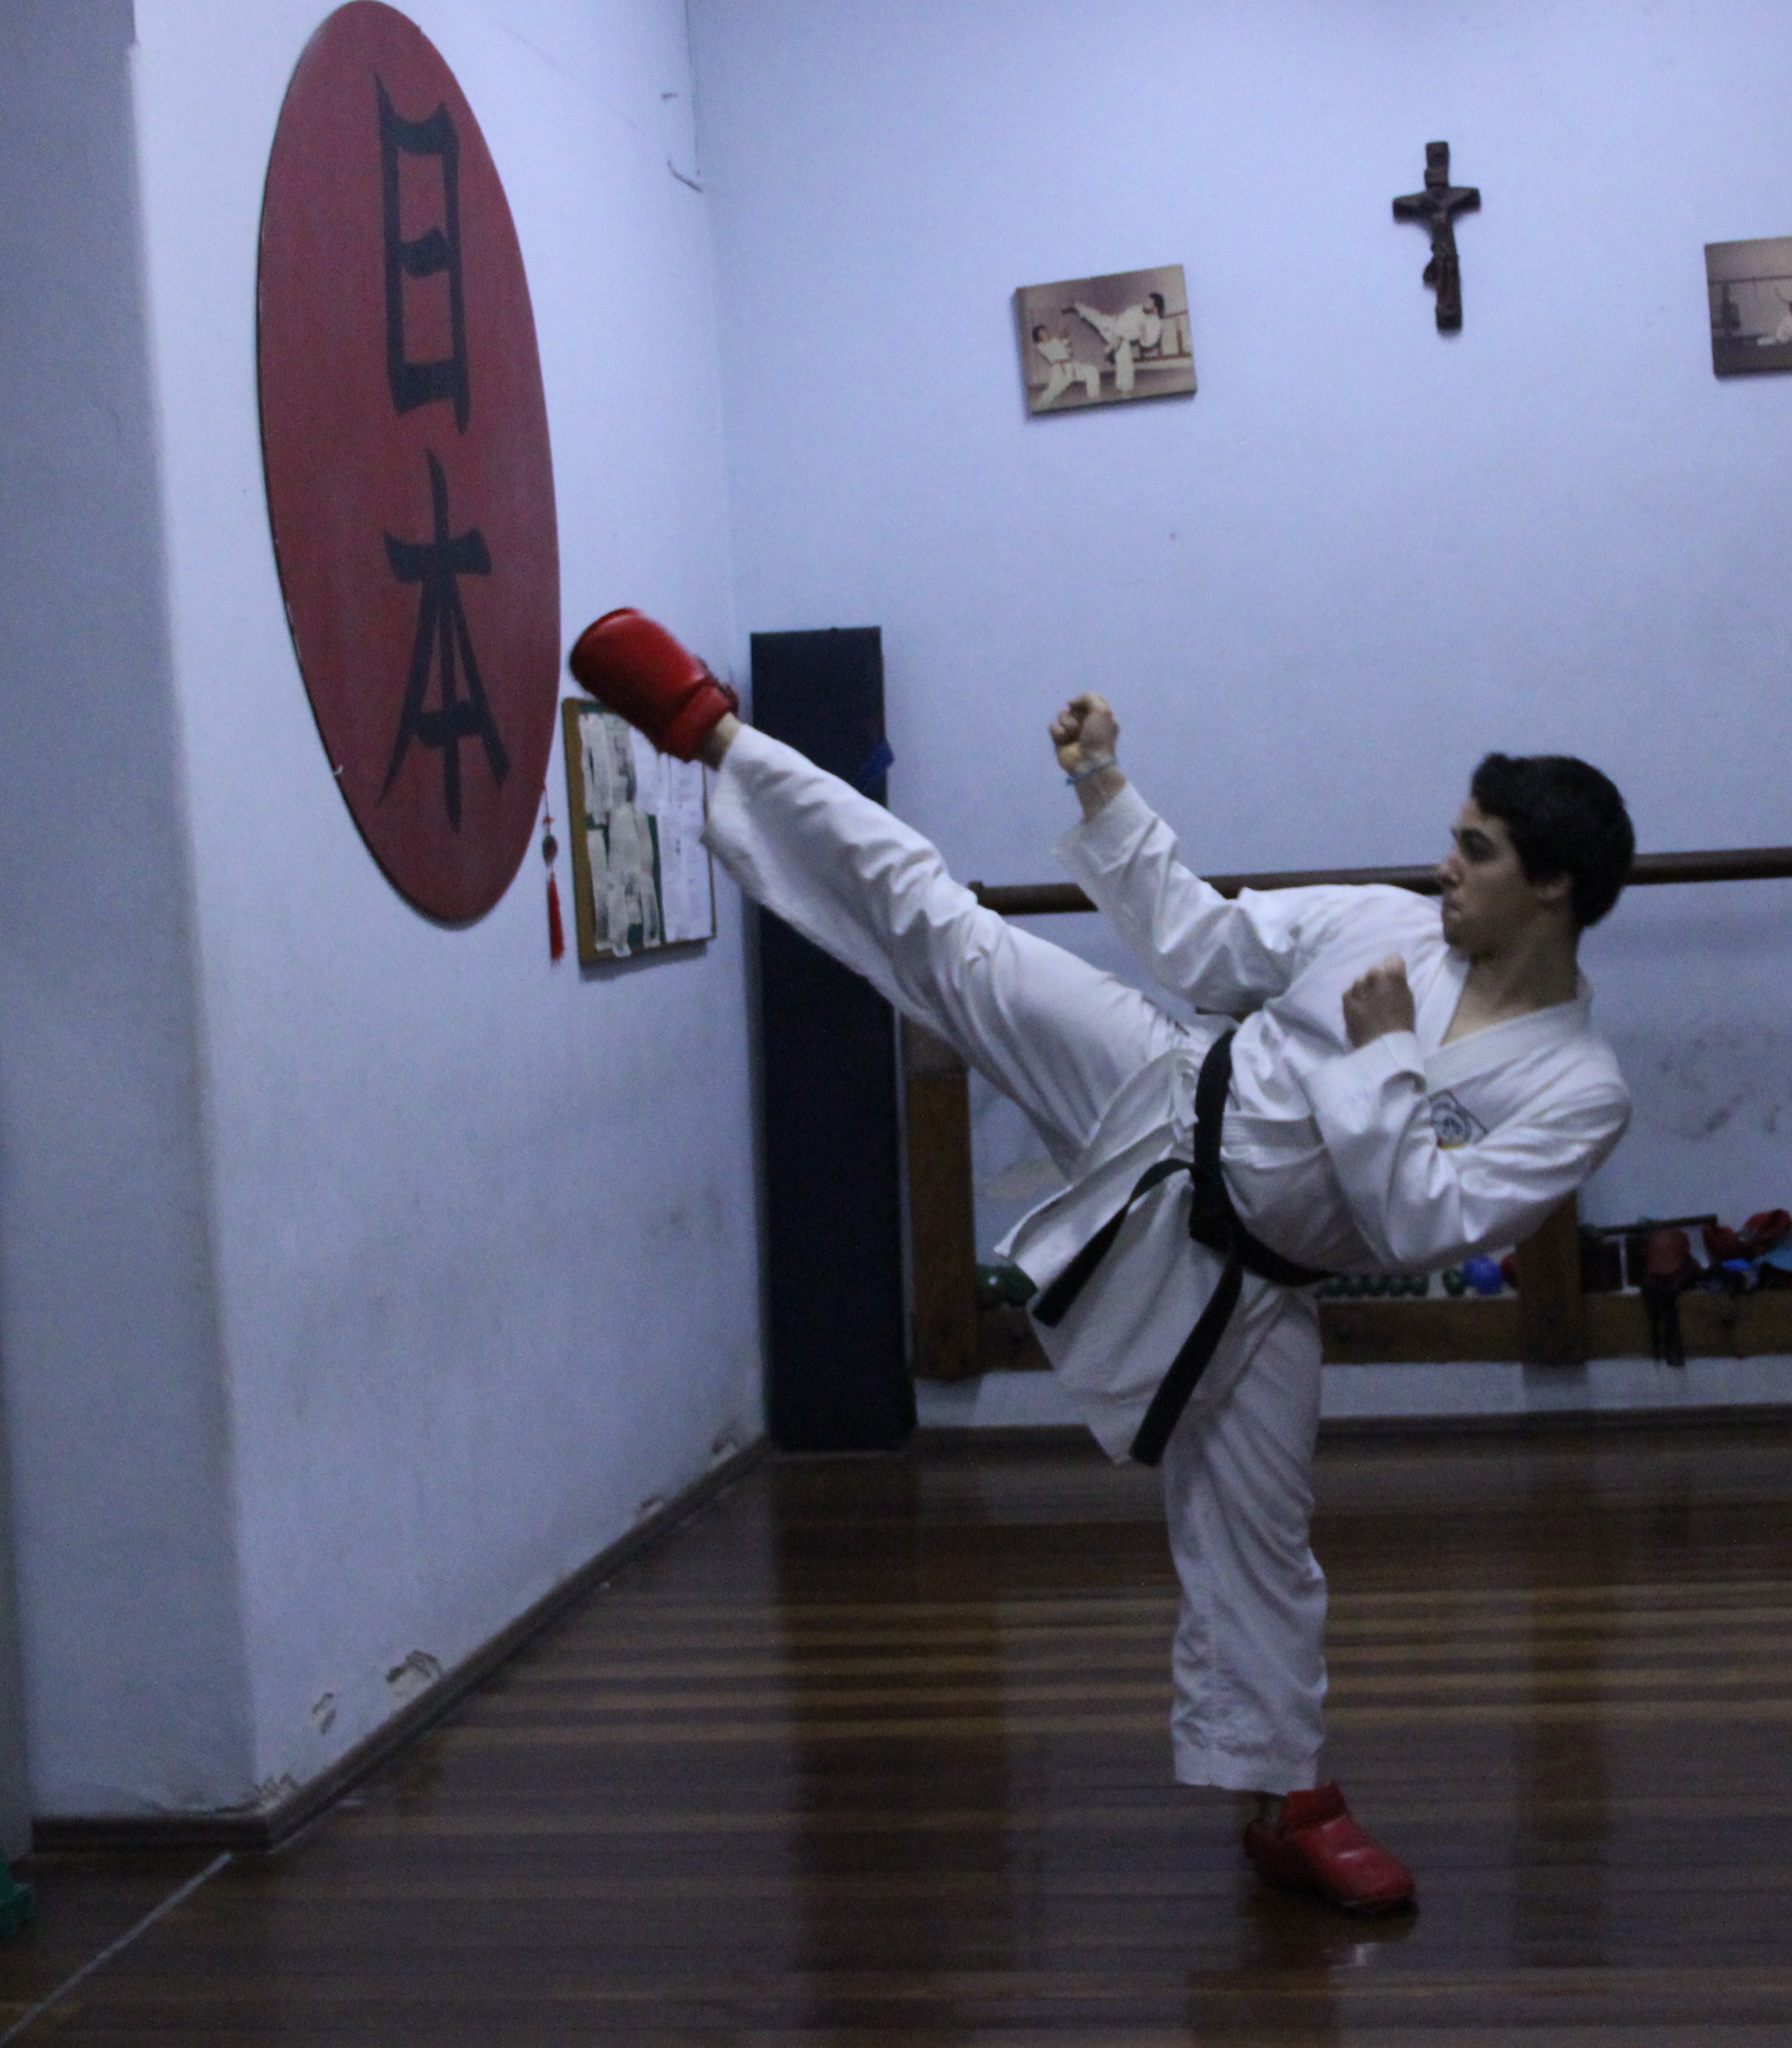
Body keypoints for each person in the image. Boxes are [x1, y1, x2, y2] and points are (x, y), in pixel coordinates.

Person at [568, 608, 1635, 1913]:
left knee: (1263, 1552)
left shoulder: (1579, 1089)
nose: (1444, 866)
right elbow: (1199, 945)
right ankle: (714, 735)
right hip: (1158, 1092)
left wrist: (1388, 1060)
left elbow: (1419, 1226)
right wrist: (1104, 787)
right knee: (943, 930)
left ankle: (1285, 1797)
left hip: (1260, 1289)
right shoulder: (1385, 926)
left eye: (1475, 851)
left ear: (1555, 885)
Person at [1070, 291, 1169, 397]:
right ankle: (1077, 306)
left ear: (1155, 308)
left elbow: (1147, 344)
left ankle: (1124, 389)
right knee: (1097, 318)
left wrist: (1143, 331)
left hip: (1122, 339)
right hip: (1114, 325)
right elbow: (1125, 316)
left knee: (1125, 361)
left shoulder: (1155, 324)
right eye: (1146, 301)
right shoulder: (1138, 309)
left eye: (1149, 303)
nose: (1145, 304)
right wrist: (1119, 316)